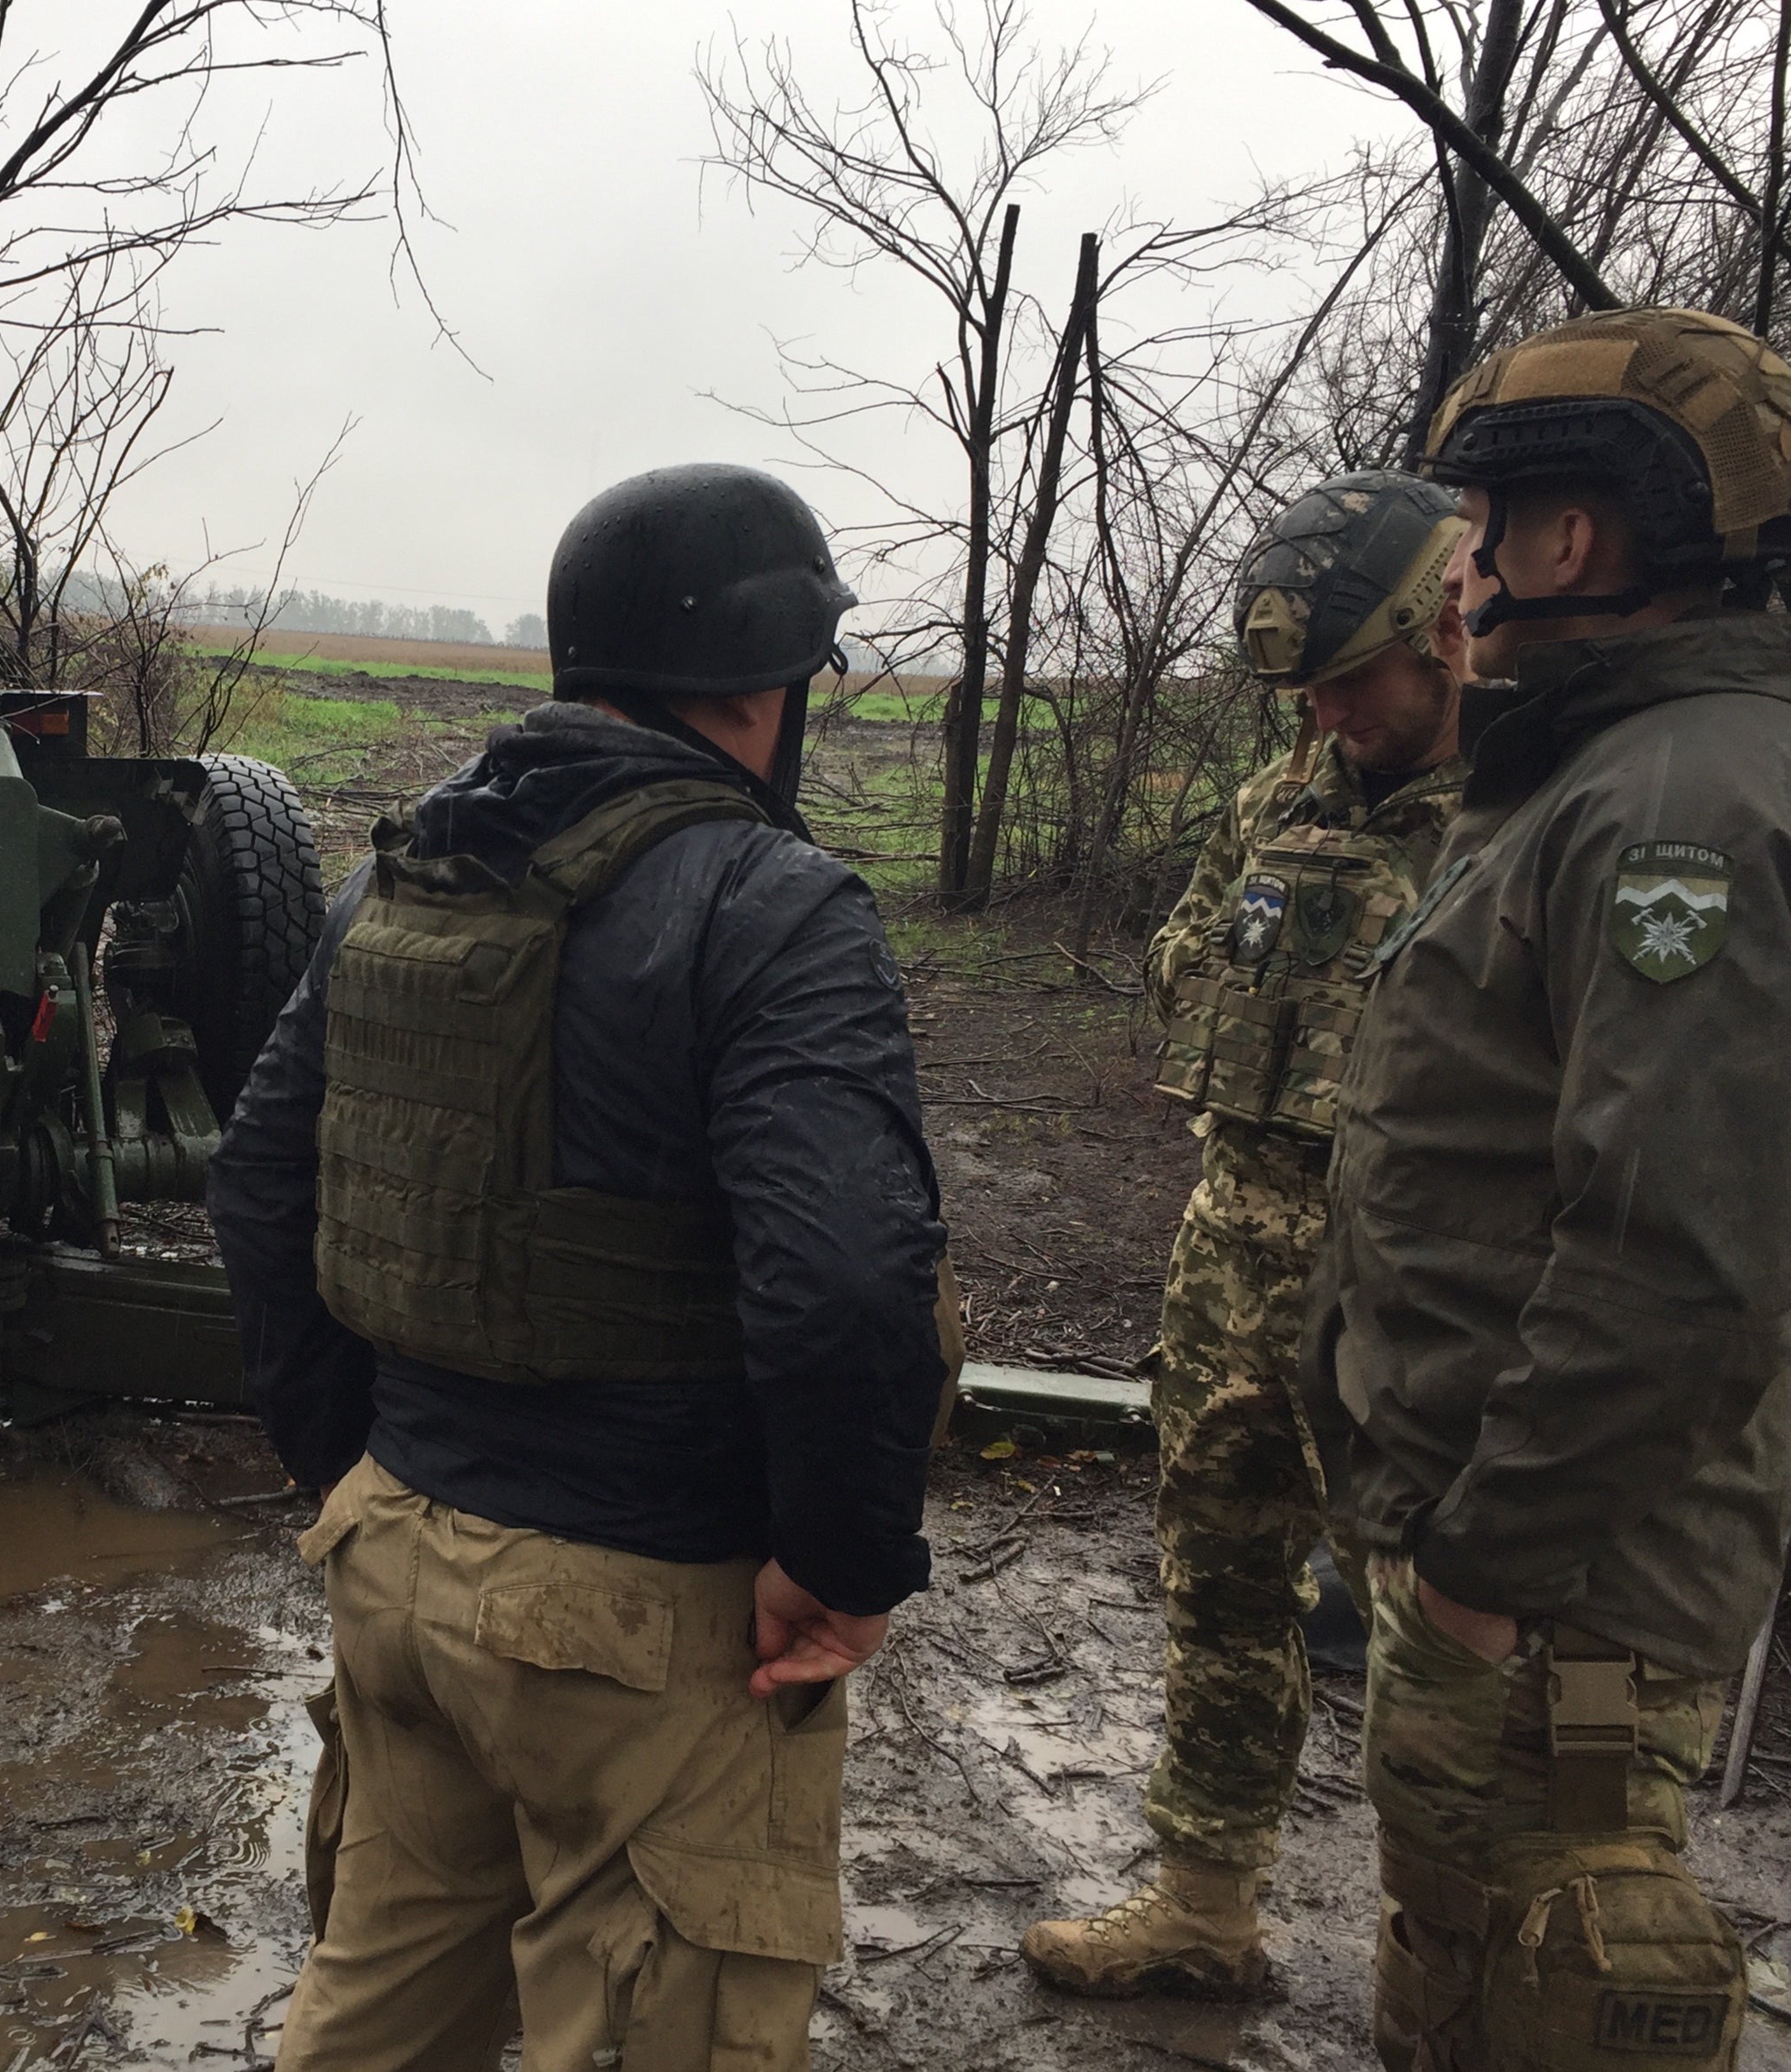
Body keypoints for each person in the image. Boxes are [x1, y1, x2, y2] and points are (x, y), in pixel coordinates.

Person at [206, 463, 949, 2070]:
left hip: (399, 1566)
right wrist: (837, 1560)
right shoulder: (775, 904)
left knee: (375, 2019)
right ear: (764, 685)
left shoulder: (397, 882)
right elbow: (845, 1285)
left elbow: (261, 1188)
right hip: (645, 1618)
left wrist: (366, 1475)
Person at [1309, 308, 1791, 2072]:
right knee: (1458, 1983)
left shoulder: (1687, 808)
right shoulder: (1597, 776)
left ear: (1571, 540)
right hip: (1505, 1564)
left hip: (1561, 1602)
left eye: (1489, 529)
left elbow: (1679, 1263)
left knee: (1547, 1989)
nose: (1469, 579)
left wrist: (1475, 1573)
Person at [1024, 471, 1473, 2000]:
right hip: (1235, 1260)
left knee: (1442, 1654)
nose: (1331, 714)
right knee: (1218, 1588)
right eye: (1309, 688)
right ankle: (1204, 1907)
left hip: (1421, 1301)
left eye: (1355, 681)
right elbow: (1183, 956)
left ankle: (1462, 1968)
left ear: (1448, 630)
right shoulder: (1277, 802)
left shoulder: (1526, 822)